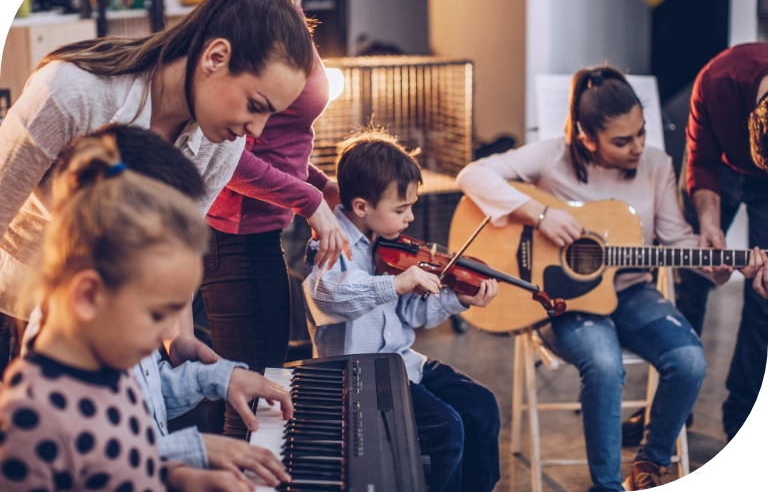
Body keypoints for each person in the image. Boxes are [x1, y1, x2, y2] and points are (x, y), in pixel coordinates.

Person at [0, 0, 315, 376]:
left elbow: (171, 246)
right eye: (256, 105)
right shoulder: (72, 92)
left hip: (111, 321)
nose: (257, 130)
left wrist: (178, 339)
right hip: (19, 306)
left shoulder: (223, 143)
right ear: (214, 58)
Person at [456, 66, 730, 491]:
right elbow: (471, 175)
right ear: (586, 138)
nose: (638, 146)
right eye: (622, 141)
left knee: (689, 361)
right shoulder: (552, 155)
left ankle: (651, 462)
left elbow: (676, 238)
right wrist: (539, 214)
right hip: (559, 300)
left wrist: (721, 262)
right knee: (604, 365)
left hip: (633, 292)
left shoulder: (657, 164)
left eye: (640, 133)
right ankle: (605, 486)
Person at [17, 125, 295, 487]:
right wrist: (192, 449)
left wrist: (219, 378)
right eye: (157, 314)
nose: (167, 335)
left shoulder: (106, 336)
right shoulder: (32, 419)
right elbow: (106, 457)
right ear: (88, 295)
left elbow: (146, 399)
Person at [198, 0, 355, 438]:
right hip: (234, 237)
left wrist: (319, 184)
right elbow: (226, 151)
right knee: (249, 400)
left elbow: (272, 143)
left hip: (256, 232)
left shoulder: (283, 14)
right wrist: (309, 200)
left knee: (251, 390)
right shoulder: (258, 16)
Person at [302, 129, 501, 492]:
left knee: (481, 407)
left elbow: (409, 315)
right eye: (401, 209)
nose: (410, 218)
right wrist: (394, 284)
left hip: (399, 362)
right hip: (358, 376)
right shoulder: (332, 241)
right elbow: (325, 297)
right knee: (446, 428)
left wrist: (457, 298)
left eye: (410, 206)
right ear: (362, 207)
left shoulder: (387, 246)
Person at [673, 42, 768, 443]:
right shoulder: (717, 81)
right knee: (690, 280)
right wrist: (708, 224)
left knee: (765, 293)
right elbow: (700, 162)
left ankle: (742, 412)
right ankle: (674, 407)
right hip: (720, 170)